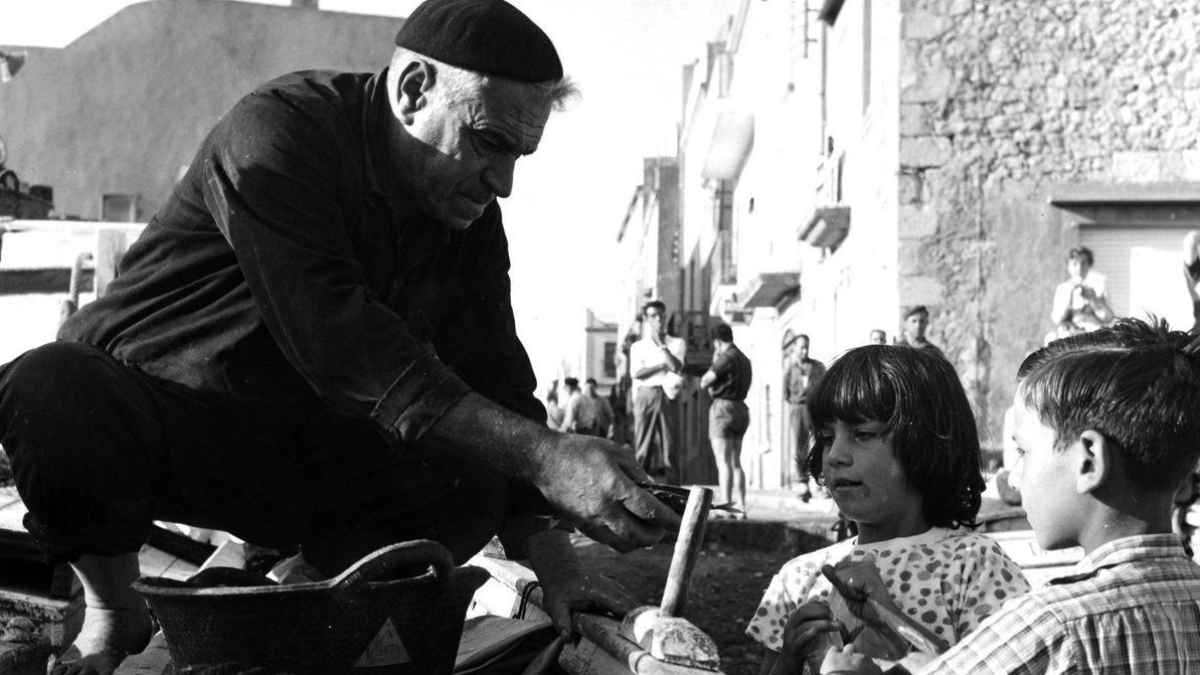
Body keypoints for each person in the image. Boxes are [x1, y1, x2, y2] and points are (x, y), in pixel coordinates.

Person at [0, 2, 679, 673]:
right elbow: (340, 342)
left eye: (519, 154)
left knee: (470, 474)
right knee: (49, 391)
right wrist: (546, 457)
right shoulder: (277, 134)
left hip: (298, 452)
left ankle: (286, 591)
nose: (502, 182)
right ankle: (115, 606)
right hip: (168, 421)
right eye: (490, 142)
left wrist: (554, 560)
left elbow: (496, 375)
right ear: (414, 89)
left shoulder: (465, 210)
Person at [823, 318, 1200, 674]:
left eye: (1023, 451)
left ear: (1089, 461)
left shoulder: (1049, 626)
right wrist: (892, 620)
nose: (1016, 479)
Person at [749, 345, 1029, 675]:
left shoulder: (974, 565)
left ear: (924, 444)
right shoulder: (799, 578)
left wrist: (892, 624)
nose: (835, 454)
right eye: (826, 437)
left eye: (862, 434)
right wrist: (789, 661)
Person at [630, 300, 687, 482]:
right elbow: (638, 373)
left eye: (661, 316)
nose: (659, 320)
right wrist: (662, 365)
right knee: (642, 447)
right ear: (647, 319)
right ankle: (639, 489)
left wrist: (663, 346)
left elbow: (676, 367)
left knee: (670, 447)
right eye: (653, 316)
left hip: (668, 394)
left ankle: (675, 493)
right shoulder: (638, 346)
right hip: (646, 394)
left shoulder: (677, 343)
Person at [699, 323, 752, 515]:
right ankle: (742, 507)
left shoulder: (726, 357)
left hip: (723, 408)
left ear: (717, 341)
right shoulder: (745, 359)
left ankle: (726, 506)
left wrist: (715, 359)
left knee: (723, 462)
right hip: (741, 408)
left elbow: (705, 381)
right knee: (736, 461)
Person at [783, 333, 826, 502]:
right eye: (801, 347)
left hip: (815, 408)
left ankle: (821, 482)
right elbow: (786, 393)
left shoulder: (818, 367)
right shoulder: (790, 370)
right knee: (800, 445)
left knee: (820, 442)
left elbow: (824, 386)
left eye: (806, 347)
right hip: (797, 409)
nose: (804, 350)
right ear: (794, 348)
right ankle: (802, 483)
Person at [1048, 245, 1113, 340]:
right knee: (1050, 338)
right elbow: (1057, 319)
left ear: (1089, 265)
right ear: (1068, 266)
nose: (1079, 268)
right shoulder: (1063, 288)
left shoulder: (1099, 285)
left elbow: (1108, 318)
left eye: (1083, 263)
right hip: (1069, 332)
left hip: (1093, 332)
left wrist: (1093, 300)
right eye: (1074, 264)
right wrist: (1068, 298)